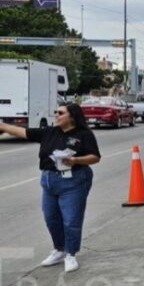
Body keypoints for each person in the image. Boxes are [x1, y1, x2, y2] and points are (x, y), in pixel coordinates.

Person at [0, 104, 100, 273]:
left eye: (60, 113)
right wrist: (3, 126)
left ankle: (70, 254)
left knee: (71, 220)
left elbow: (95, 157)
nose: (56, 115)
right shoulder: (49, 132)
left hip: (74, 181)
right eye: (55, 112)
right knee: (51, 218)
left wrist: (76, 160)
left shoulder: (84, 134)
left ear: (72, 116)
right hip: (49, 180)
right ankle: (59, 250)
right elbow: (22, 132)